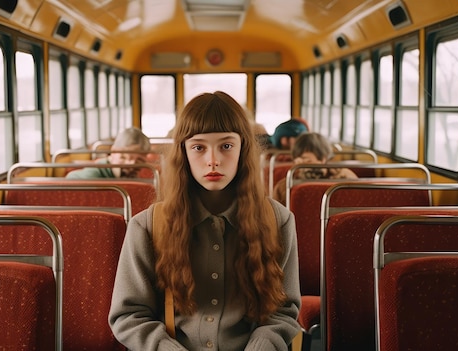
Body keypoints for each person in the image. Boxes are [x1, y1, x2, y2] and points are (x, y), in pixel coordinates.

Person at [109, 91, 301, 350]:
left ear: (243, 149)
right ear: (184, 153)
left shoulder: (279, 221)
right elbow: (129, 315)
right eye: (198, 147)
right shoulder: (146, 226)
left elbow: (283, 310)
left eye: (226, 146)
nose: (213, 161)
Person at [273, 132, 358, 206]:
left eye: (307, 160)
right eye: (297, 159)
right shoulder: (285, 186)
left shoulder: (342, 179)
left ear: (323, 159)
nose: (300, 163)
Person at [66, 127, 150, 179]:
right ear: (113, 152)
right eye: (123, 157)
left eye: (139, 160)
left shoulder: (144, 176)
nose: (131, 164)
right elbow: (71, 178)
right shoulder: (95, 173)